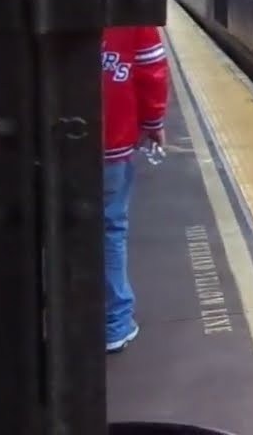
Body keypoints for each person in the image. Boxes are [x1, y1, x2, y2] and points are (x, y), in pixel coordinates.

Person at [101, 26, 169, 353]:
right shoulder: (128, 9)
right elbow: (152, 71)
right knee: (110, 229)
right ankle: (115, 324)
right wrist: (153, 123)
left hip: (45, 145)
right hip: (112, 143)